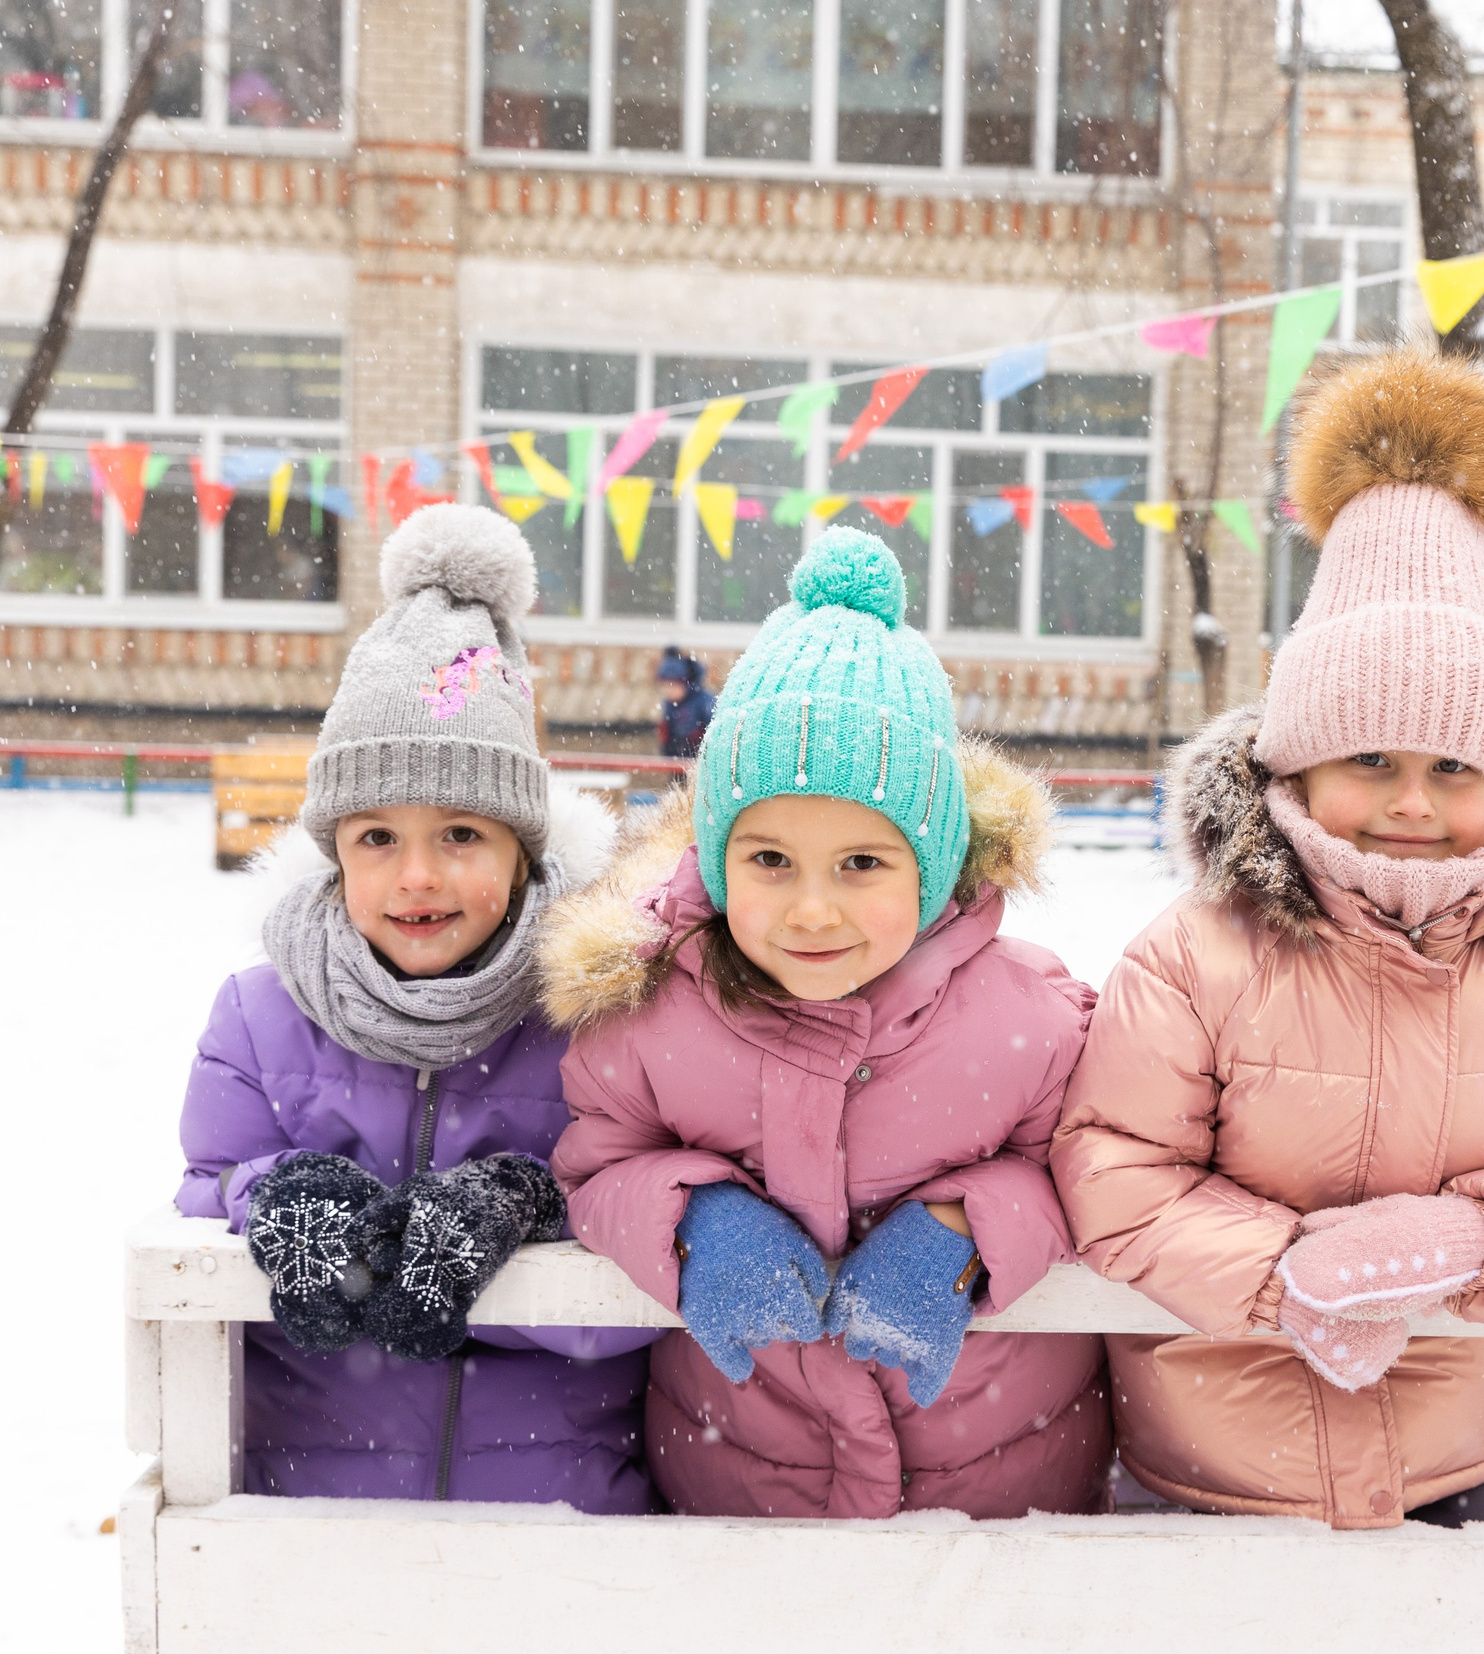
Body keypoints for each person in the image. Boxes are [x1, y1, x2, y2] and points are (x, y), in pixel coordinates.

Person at [1051, 347, 1484, 1530]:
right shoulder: (1195, 957)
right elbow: (1113, 1171)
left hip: (1454, 1474)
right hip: (1205, 1476)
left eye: (1453, 769)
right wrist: (1283, 1274)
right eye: (1371, 760)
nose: (1410, 803)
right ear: (1298, 761)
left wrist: (1468, 1236)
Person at [539, 527, 1108, 1519]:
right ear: (717, 857)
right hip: (743, 1482)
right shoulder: (652, 1016)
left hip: (998, 1488)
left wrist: (968, 1226)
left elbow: (1088, 1172)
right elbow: (596, 1169)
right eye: (769, 861)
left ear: (931, 866)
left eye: (861, 864)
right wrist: (690, 1217)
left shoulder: (1028, 1017)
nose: (811, 910)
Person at [177, 503, 660, 1512]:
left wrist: (536, 1208)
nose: (418, 876)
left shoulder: (594, 1018)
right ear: (334, 854)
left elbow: (649, 1264)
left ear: (522, 853)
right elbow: (205, 1198)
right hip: (314, 1505)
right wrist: (271, 1192)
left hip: (559, 1510)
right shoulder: (260, 1019)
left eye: (462, 834)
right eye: (377, 838)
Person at [656, 646, 717, 759]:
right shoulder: (670, 704)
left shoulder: (704, 702)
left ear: (686, 682)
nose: (668, 690)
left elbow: (714, 733)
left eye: (673, 685)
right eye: (665, 685)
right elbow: (667, 735)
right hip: (677, 759)